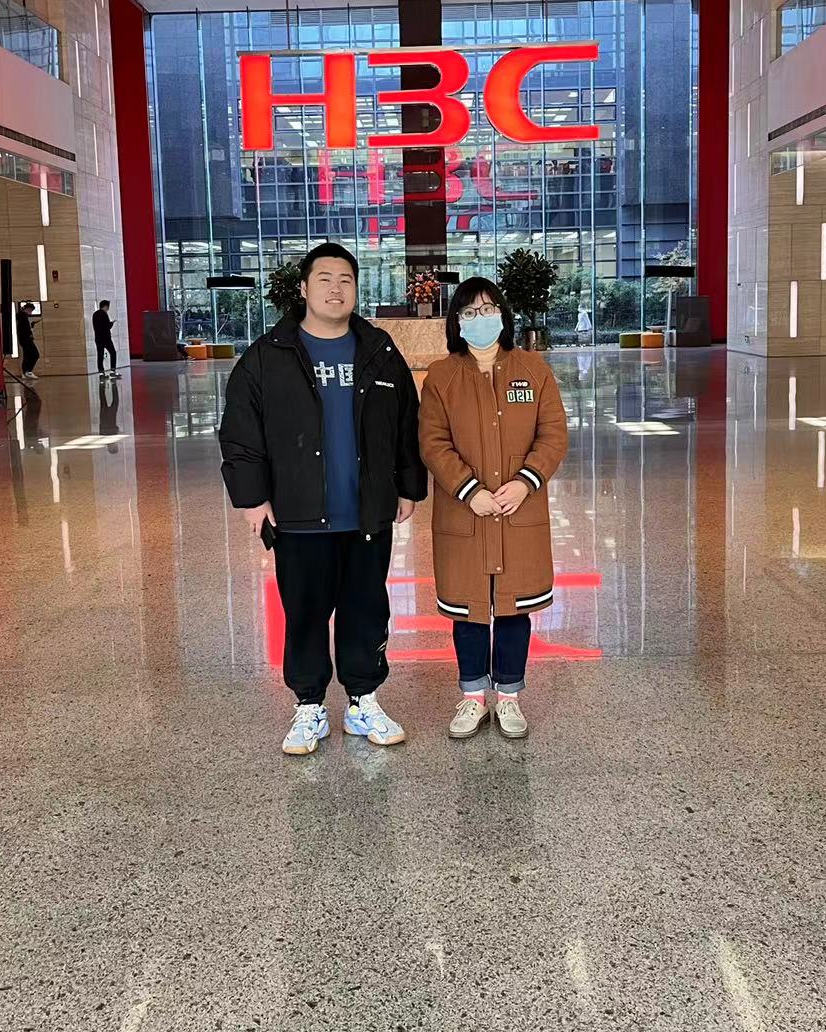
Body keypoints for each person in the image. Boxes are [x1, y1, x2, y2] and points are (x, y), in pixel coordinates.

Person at [219, 242, 428, 756]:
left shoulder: (378, 349)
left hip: (365, 513)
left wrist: (409, 485)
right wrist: (252, 499)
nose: (336, 289)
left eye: (346, 280)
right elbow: (241, 434)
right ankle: (309, 705)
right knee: (305, 613)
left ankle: (362, 700)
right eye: (325, 279)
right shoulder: (268, 356)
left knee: (366, 609)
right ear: (304, 288)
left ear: (356, 290)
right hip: (297, 514)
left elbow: (406, 424)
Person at [418, 277, 568, 741]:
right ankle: (472, 697)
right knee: (468, 609)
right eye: (469, 312)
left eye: (487, 310)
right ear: (456, 323)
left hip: (519, 510)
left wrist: (525, 482)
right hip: (465, 513)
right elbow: (432, 442)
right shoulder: (442, 376)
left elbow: (553, 433)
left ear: (502, 315)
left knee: (513, 608)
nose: (479, 319)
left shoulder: (533, 370)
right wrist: (469, 490)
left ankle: (508, 697)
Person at [93, 300, 119, 379]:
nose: (108, 308)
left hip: (98, 338)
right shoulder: (104, 314)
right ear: (105, 306)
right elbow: (107, 326)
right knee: (113, 353)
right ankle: (112, 371)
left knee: (100, 355)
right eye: (108, 307)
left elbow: (96, 326)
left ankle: (101, 374)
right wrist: (112, 323)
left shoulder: (95, 314)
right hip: (106, 338)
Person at [16, 302, 41, 381]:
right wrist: (30, 335)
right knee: (35, 354)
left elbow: (25, 329)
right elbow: (24, 330)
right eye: (31, 311)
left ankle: (25, 372)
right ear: (28, 309)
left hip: (24, 339)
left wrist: (32, 325)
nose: (31, 313)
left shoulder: (22, 316)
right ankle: (28, 371)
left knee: (27, 356)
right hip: (26, 339)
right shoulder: (23, 316)